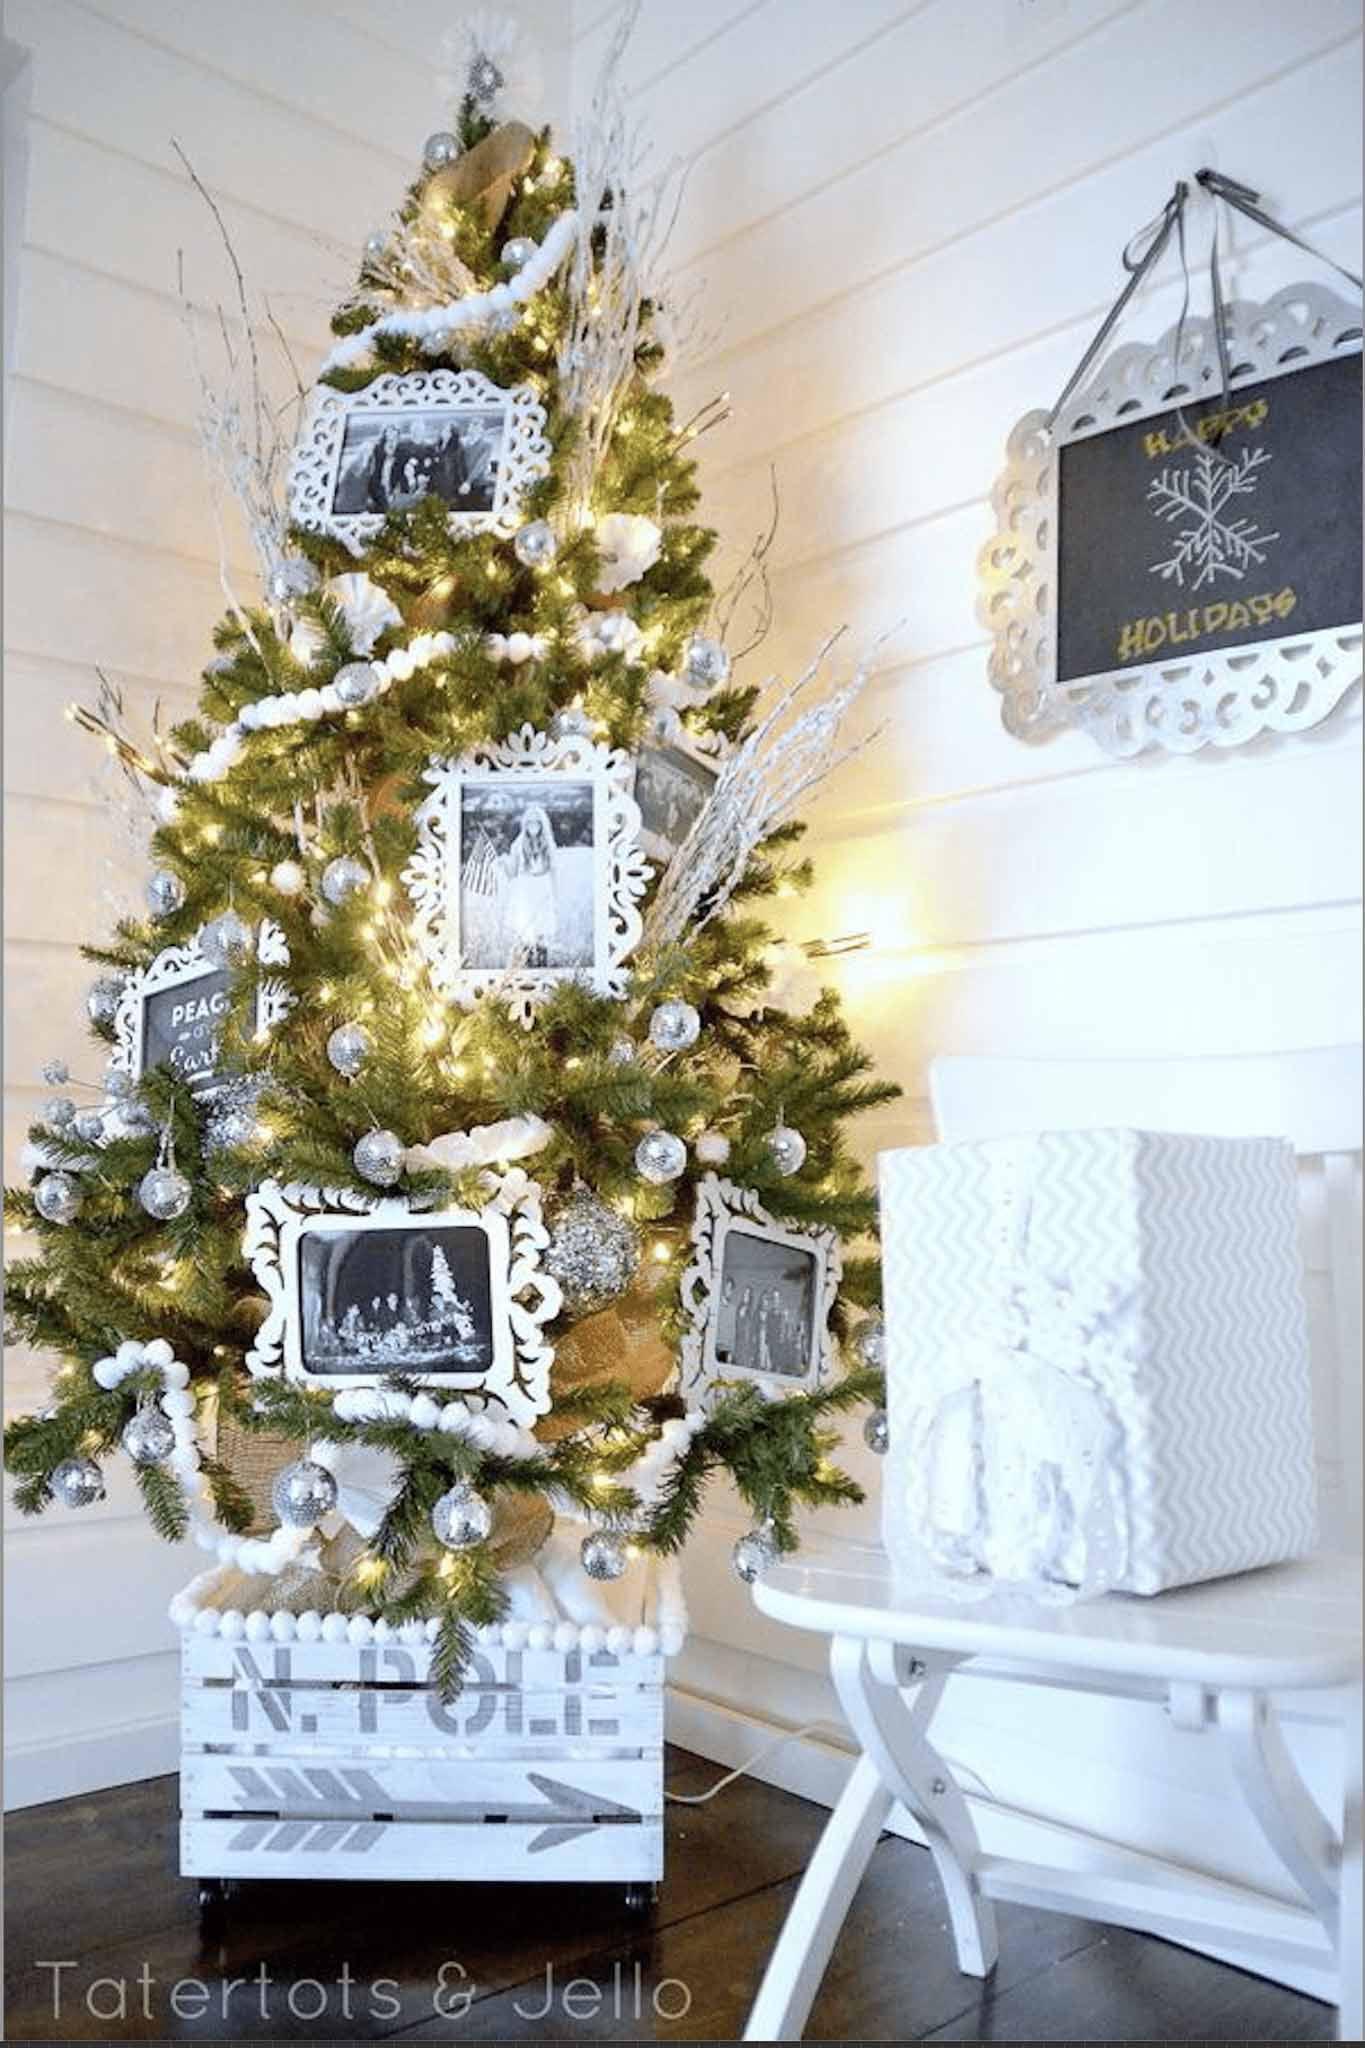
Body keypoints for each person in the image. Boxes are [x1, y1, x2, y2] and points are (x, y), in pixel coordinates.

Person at [500, 802, 559, 967]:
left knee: (541, 931)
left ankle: (541, 964)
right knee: (526, 931)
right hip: (525, 890)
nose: (534, 826)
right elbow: (512, 873)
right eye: (530, 822)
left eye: (537, 822)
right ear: (525, 825)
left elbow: (554, 872)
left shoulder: (549, 844)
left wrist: (555, 897)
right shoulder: (518, 845)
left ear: (542, 824)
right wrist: (504, 864)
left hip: (542, 887)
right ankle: (526, 966)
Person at [364, 424, 404, 512]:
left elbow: (401, 480)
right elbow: (369, 479)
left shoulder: (400, 457)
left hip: (393, 497)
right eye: (388, 440)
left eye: (395, 440)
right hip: (375, 496)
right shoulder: (375, 456)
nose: (391, 443)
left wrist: (395, 493)